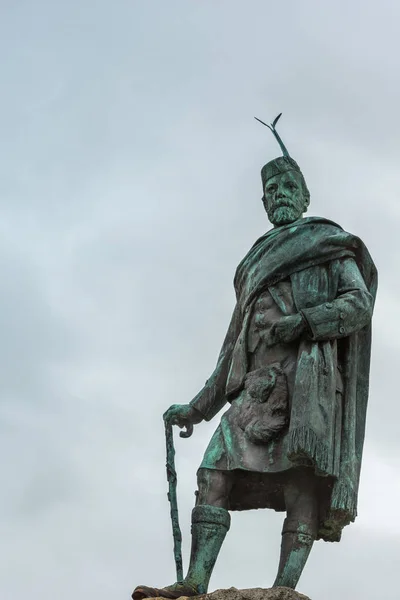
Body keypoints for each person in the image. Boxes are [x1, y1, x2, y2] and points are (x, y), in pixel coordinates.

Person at [133, 116, 377, 599]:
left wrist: (304, 323)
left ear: (305, 196)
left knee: (300, 484)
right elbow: (232, 349)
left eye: (288, 184)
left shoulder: (328, 245)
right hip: (255, 391)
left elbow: (358, 304)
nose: (278, 193)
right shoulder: (252, 264)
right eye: (270, 188)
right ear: (263, 201)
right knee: (213, 472)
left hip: (309, 383)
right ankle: (195, 582)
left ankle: (284, 588)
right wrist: (198, 408)